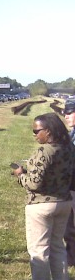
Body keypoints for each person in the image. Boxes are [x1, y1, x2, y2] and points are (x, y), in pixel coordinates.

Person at [12, 112, 75, 280]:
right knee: (57, 248)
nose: (34, 134)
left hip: (41, 206)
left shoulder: (44, 151)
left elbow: (34, 184)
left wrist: (20, 175)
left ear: (48, 131)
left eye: (36, 130)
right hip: (64, 203)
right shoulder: (69, 148)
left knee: (38, 250)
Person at [61, 101, 75, 265]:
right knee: (69, 226)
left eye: (70, 112)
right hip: (70, 185)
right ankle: (71, 256)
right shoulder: (72, 133)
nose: (65, 116)